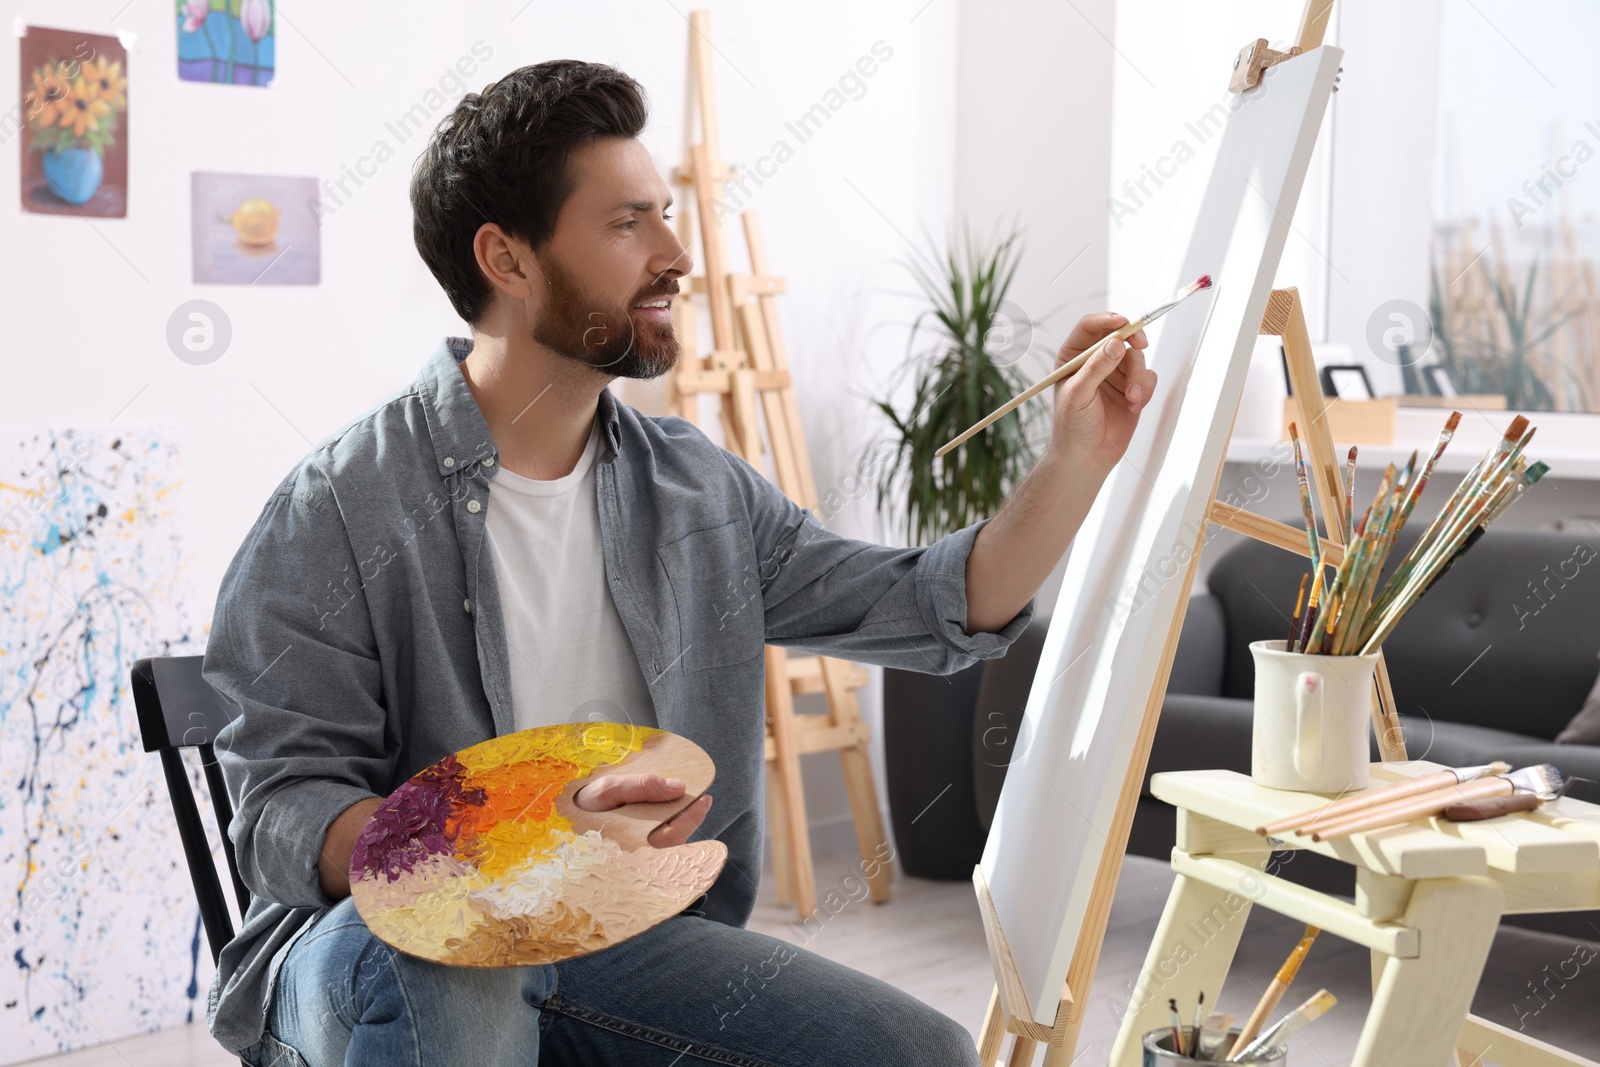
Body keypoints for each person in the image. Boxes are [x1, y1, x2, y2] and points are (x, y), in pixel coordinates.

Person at [204, 58, 1156, 1067]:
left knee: (918, 1051)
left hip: (614, 941)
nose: (675, 253)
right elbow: (280, 808)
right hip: (373, 953)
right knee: (458, 949)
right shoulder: (342, 504)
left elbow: (931, 603)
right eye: (625, 224)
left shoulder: (697, 491)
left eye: (663, 213)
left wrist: (1076, 457)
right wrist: (520, 833)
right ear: (508, 260)